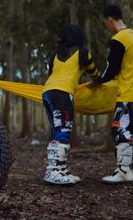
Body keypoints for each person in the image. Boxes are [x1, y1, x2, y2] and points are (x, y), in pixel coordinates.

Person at [89, 4, 133, 184]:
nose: (106, 26)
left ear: (110, 20)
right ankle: (130, 171)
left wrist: (97, 81)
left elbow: (111, 68)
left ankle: (123, 172)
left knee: (119, 130)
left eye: (105, 23)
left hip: (128, 93)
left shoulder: (120, 39)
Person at [42, 24, 100, 185]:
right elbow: (94, 73)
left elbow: (52, 74)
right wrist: (99, 81)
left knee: (57, 130)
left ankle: (60, 169)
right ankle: (52, 171)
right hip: (62, 94)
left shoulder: (55, 55)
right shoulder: (82, 53)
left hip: (47, 93)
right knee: (63, 131)